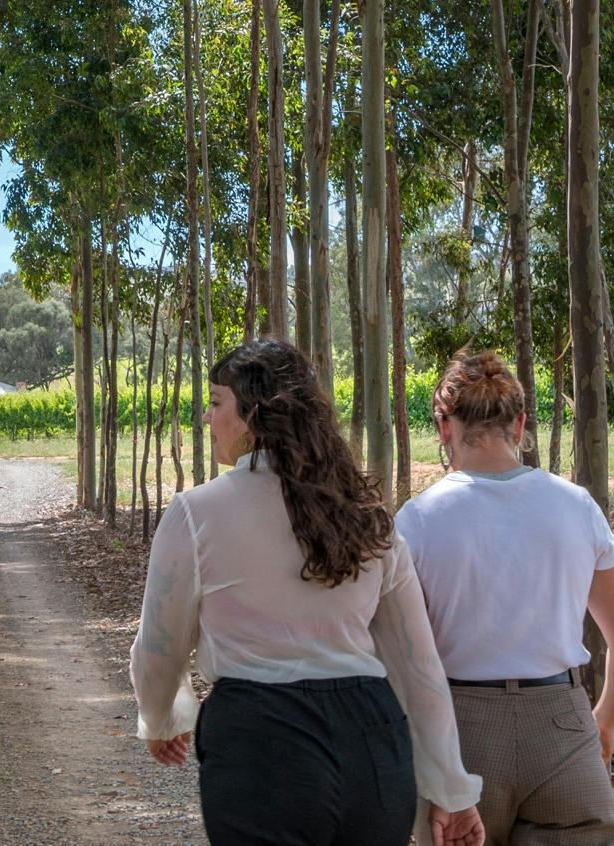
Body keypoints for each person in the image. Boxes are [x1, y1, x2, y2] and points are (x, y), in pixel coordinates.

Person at [132, 338, 484, 846]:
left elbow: (160, 646)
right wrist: (451, 788)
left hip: (261, 744)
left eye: (216, 402)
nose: (207, 417)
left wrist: (162, 719)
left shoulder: (196, 513)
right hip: (371, 742)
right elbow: (417, 664)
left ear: (254, 415)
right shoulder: (365, 515)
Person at [395, 349, 614, 846]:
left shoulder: (417, 519)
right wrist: (603, 722)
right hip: (562, 726)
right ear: (520, 424)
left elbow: (406, 660)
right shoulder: (576, 506)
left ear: (444, 427)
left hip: (459, 732)